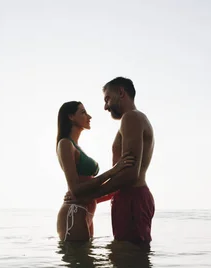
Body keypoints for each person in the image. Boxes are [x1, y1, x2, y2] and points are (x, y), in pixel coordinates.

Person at [66, 77, 156, 246]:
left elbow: (130, 175)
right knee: (124, 262)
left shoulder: (131, 118)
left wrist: (91, 195)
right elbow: (124, 176)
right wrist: (91, 198)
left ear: (121, 92)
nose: (105, 106)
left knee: (129, 263)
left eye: (107, 99)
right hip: (130, 199)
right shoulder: (133, 120)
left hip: (132, 200)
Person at [56, 101, 135, 241]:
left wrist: (118, 186)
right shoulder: (65, 144)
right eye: (83, 112)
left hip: (85, 212)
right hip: (74, 213)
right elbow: (76, 189)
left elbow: (89, 192)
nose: (89, 116)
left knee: (85, 261)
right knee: (79, 261)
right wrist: (113, 171)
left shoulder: (77, 147)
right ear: (71, 116)